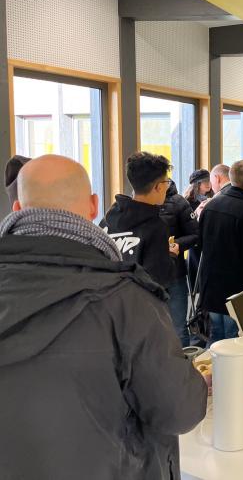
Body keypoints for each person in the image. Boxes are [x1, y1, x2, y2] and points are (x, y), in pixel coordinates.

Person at [0, 155, 207, 480]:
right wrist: (197, 382)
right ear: (93, 206)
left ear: (17, 209)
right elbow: (179, 410)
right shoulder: (126, 299)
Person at [199, 159, 243, 342]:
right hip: (235, 284)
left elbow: (201, 241)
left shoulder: (210, 205)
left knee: (215, 337)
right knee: (232, 338)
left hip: (211, 281)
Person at [102, 152, 177, 288]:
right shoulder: (156, 227)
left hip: (106, 295)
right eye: (167, 182)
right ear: (158, 187)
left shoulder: (106, 221)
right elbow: (159, 279)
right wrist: (171, 255)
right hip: (138, 299)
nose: (167, 187)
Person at [160, 179, 199, 347]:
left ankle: (183, 362)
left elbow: (195, 234)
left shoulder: (179, 203)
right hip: (146, 277)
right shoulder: (138, 202)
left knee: (179, 328)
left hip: (175, 274)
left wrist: (178, 244)